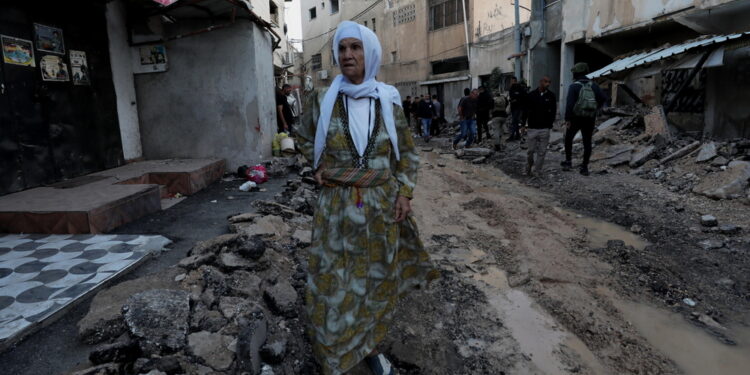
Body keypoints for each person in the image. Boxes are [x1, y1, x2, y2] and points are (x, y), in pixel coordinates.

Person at [295, 21, 437, 375]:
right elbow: (302, 139)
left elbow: (406, 153)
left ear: (369, 53)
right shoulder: (322, 100)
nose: (347, 55)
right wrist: (316, 164)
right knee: (333, 284)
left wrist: (404, 193)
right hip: (336, 208)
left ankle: (371, 349)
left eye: (355, 48)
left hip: (379, 210)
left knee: (374, 283)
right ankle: (335, 355)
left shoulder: (388, 99)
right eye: (342, 49)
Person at [562, 62, 607, 176]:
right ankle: (584, 167)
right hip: (589, 118)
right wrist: (595, 109)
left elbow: (570, 104)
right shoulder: (594, 85)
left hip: (575, 118)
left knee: (568, 139)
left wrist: (567, 119)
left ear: (576, 73)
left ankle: (568, 162)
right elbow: (603, 98)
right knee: (587, 142)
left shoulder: (574, 86)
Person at [524, 76, 556, 176]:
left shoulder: (551, 96)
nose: (548, 84)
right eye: (546, 82)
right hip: (532, 128)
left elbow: (553, 111)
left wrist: (550, 124)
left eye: (549, 82)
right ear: (540, 82)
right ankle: (528, 167)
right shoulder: (531, 95)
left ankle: (537, 170)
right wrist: (522, 124)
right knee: (530, 151)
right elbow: (525, 111)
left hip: (545, 128)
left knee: (542, 152)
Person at [507, 77, 526, 141]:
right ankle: (517, 135)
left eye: (511, 81)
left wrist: (516, 100)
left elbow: (522, 97)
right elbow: (511, 97)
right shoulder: (511, 88)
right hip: (513, 107)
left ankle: (512, 136)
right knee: (515, 122)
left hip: (518, 107)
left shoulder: (519, 88)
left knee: (514, 121)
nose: (511, 82)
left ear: (514, 81)